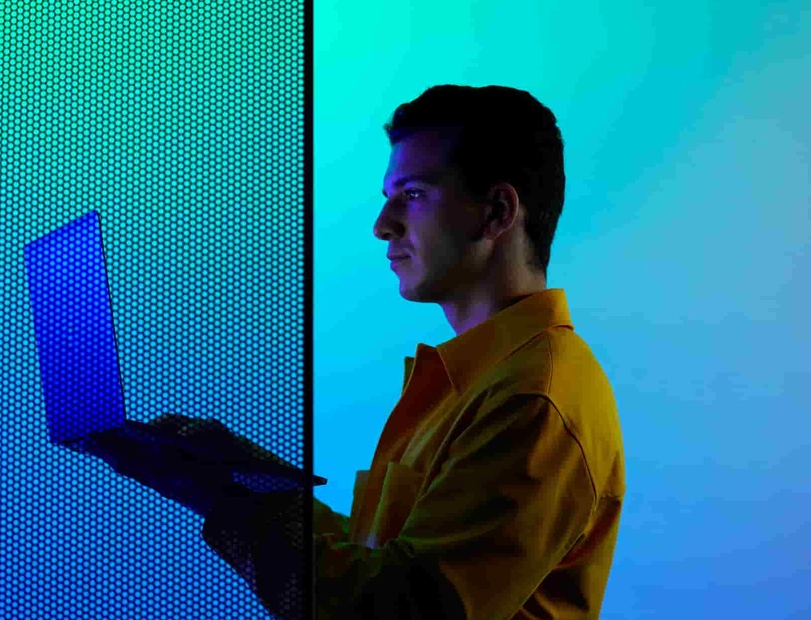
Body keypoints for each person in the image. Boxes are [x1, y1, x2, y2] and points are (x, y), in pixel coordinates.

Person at [90, 84, 626, 619]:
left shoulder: (532, 398)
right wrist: (242, 477)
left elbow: (394, 612)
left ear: (495, 212)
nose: (382, 225)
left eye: (413, 194)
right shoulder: (480, 383)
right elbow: (387, 568)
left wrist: (229, 498)